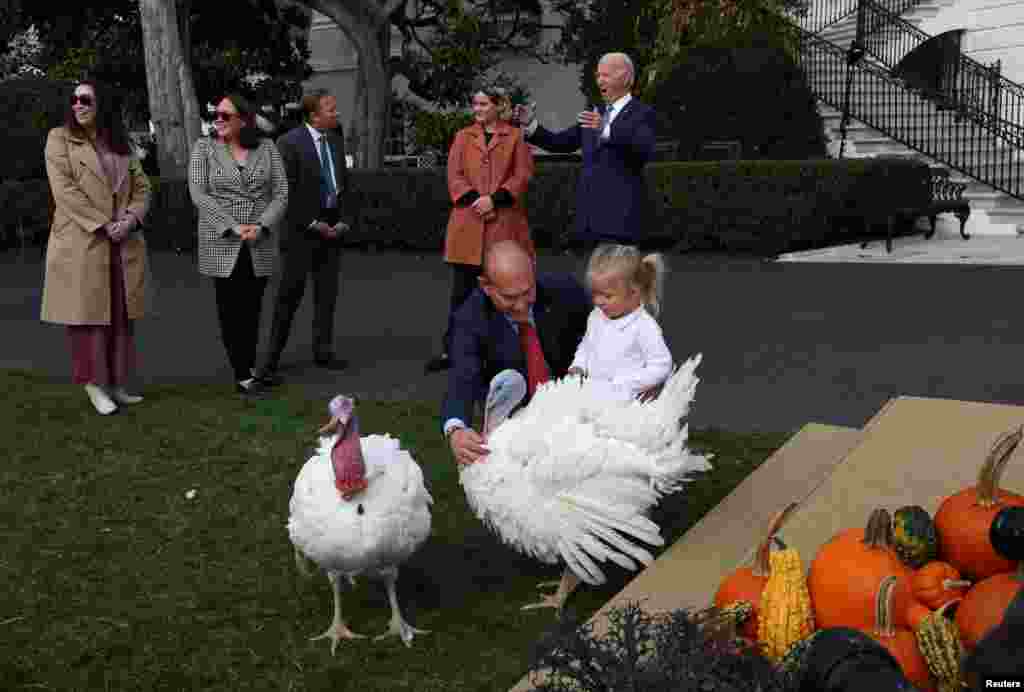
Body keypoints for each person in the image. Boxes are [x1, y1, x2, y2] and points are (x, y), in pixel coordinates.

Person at [41, 80, 153, 416]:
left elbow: (142, 186)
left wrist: (130, 220)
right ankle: (93, 384)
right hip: (83, 241)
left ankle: (116, 383)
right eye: (74, 99)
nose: (78, 104)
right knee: (87, 319)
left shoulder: (120, 142)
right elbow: (65, 192)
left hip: (122, 241)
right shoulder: (58, 139)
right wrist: (105, 224)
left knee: (120, 314)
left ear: (101, 103)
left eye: (85, 99)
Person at [441, 240, 591, 467]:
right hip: (513, 423)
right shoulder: (468, 319)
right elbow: (462, 377)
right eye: (509, 298)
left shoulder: (565, 291)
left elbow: (601, 334)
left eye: (527, 292)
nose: (522, 305)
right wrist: (456, 429)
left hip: (572, 408)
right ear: (486, 286)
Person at [424, 85, 536, 375]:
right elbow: (454, 175)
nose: (477, 110)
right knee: (461, 294)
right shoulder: (462, 137)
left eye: (483, 104)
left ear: (498, 106)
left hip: (503, 227)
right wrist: (477, 201)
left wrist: (495, 200)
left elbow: (522, 175)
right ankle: (453, 350)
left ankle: (502, 352)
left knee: (502, 292)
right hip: (467, 227)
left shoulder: (516, 137)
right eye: (475, 105)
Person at [188, 93, 288, 397]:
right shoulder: (204, 148)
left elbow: (281, 193)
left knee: (254, 307)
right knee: (230, 309)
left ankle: (249, 366)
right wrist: (232, 226)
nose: (217, 120)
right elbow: (199, 194)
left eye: (224, 115)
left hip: (259, 240)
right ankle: (242, 373)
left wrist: (262, 226)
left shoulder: (268, 148)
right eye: (215, 114)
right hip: (223, 240)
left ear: (243, 119)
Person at [255, 88, 352, 384]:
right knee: (288, 297)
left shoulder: (335, 140)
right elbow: (285, 192)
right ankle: (269, 361)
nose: (336, 113)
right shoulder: (289, 143)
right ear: (314, 115)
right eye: (330, 109)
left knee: (327, 296)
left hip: (332, 230)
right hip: (300, 233)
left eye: (335, 108)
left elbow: (343, 184)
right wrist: (312, 222)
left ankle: (323, 351)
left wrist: (342, 220)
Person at [514, 52, 656, 251]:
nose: (599, 81)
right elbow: (559, 142)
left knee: (620, 281)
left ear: (625, 77)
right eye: (598, 76)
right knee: (595, 281)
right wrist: (530, 124)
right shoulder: (595, 114)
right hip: (591, 222)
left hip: (622, 221)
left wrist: (606, 130)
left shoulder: (642, 113)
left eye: (605, 75)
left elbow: (643, 149)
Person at [567, 244, 672, 402]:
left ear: (635, 292)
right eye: (595, 293)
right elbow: (587, 345)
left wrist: (627, 383)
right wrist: (579, 365)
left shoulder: (644, 327)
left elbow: (661, 366)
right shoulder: (596, 316)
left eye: (607, 296)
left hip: (628, 405)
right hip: (593, 397)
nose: (598, 301)